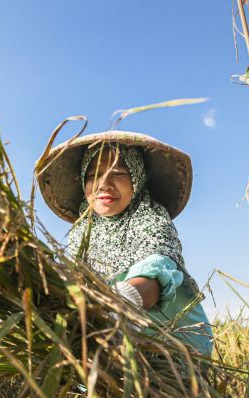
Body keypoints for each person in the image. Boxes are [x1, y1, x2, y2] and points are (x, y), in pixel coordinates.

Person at [37, 131, 212, 356]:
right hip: (117, 348)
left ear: (137, 177)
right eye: (93, 175)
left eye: (118, 173)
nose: (104, 184)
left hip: (177, 346)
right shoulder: (81, 234)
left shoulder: (151, 218)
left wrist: (123, 302)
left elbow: (155, 270)